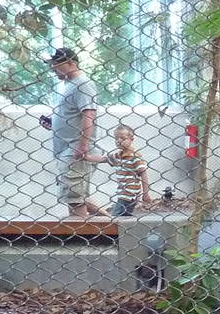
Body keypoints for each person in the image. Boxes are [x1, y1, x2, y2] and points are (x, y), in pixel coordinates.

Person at [41, 47, 105, 217]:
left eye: (56, 64)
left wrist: (82, 146)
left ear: (71, 63)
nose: (53, 68)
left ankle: (83, 231)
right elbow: (72, 115)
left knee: (75, 198)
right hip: (66, 148)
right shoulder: (70, 85)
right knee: (76, 195)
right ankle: (114, 223)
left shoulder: (83, 84)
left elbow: (89, 114)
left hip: (75, 149)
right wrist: (54, 123)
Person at [100, 124, 150, 218]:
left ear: (131, 139)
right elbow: (104, 159)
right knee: (124, 216)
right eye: (116, 138)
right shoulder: (118, 155)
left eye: (122, 138)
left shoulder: (135, 156)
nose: (118, 141)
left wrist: (145, 194)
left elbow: (144, 174)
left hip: (129, 194)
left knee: (116, 216)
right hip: (123, 194)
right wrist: (86, 157)